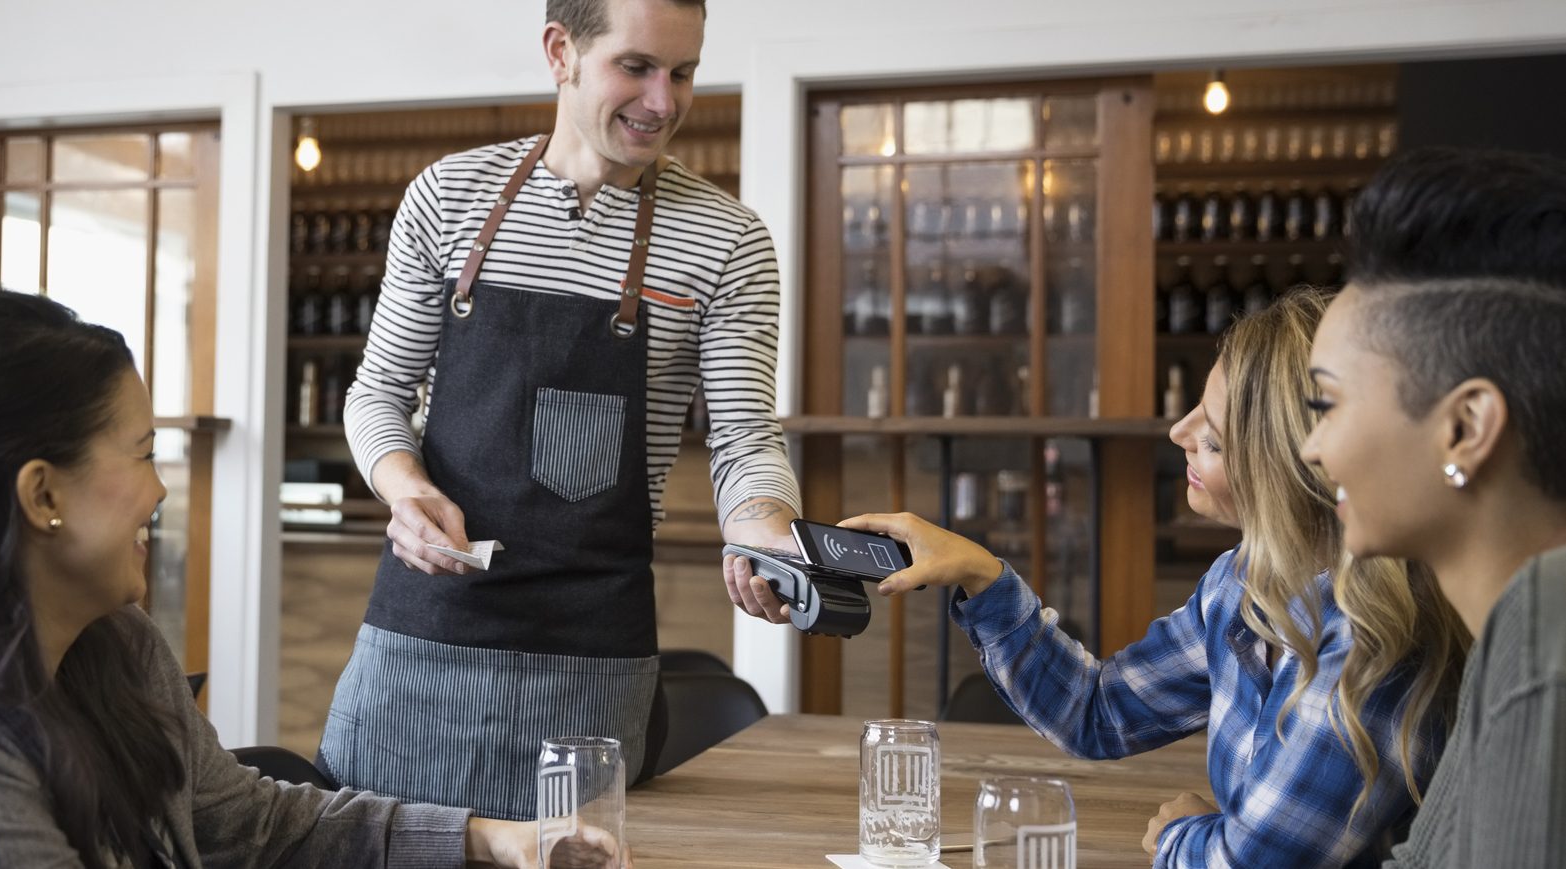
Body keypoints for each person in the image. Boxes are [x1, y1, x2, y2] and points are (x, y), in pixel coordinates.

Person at [0, 286, 619, 869]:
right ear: (42, 493)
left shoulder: (111, 647)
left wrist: (494, 837)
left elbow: (250, 827)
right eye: (145, 455)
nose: (160, 493)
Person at [331, 0, 801, 819]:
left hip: (590, 651)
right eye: (636, 67)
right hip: (423, 631)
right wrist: (403, 490)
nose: (664, 101)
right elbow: (378, 392)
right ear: (561, 51)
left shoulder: (728, 241)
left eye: (682, 72)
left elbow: (743, 436)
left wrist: (763, 524)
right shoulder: (448, 196)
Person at [842, 289, 1465, 868]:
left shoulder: (1371, 636)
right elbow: (1099, 711)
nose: (1178, 433)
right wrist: (983, 576)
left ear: (1289, 469)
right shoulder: (1243, 582)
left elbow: (1248, 865)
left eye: (1214, 439)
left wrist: (1179, 835)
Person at [1297, 147, 1566, 867]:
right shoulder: (1509, 631)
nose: (1309, 448)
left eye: (1325, 403)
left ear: (1465, 426)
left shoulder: (1550, 621)